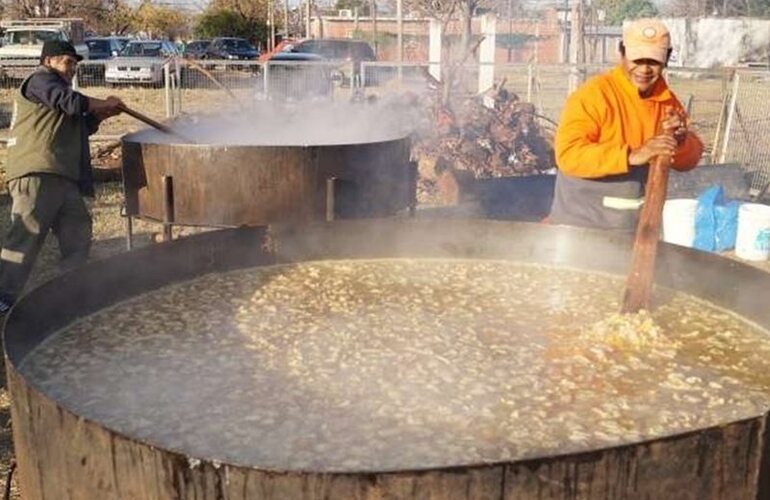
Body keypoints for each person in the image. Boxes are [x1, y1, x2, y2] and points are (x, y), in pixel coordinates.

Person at [0, 40, 124, 313]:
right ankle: (4, 298)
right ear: (48, 61)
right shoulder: (39, 81)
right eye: (67, 62)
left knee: (78, 230)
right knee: (26, 234)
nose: (72, 69)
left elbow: (80, 126)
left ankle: (70, 288)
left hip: (62, 177)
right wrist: (103, 102)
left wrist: (102, 115)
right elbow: (69, 102)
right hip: (37, 172)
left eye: (75, 65)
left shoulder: (60, 94)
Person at [549, 18, 704, 231]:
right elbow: (568, 155)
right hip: (581, 225)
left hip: (634, 228)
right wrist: (631, 155)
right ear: (622, 54)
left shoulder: (668, 102)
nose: (645, 69)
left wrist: (681, 142)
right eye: (637, 60)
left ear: (666, 60)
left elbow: (690, 160)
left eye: (654, 61)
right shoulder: (593, 96)